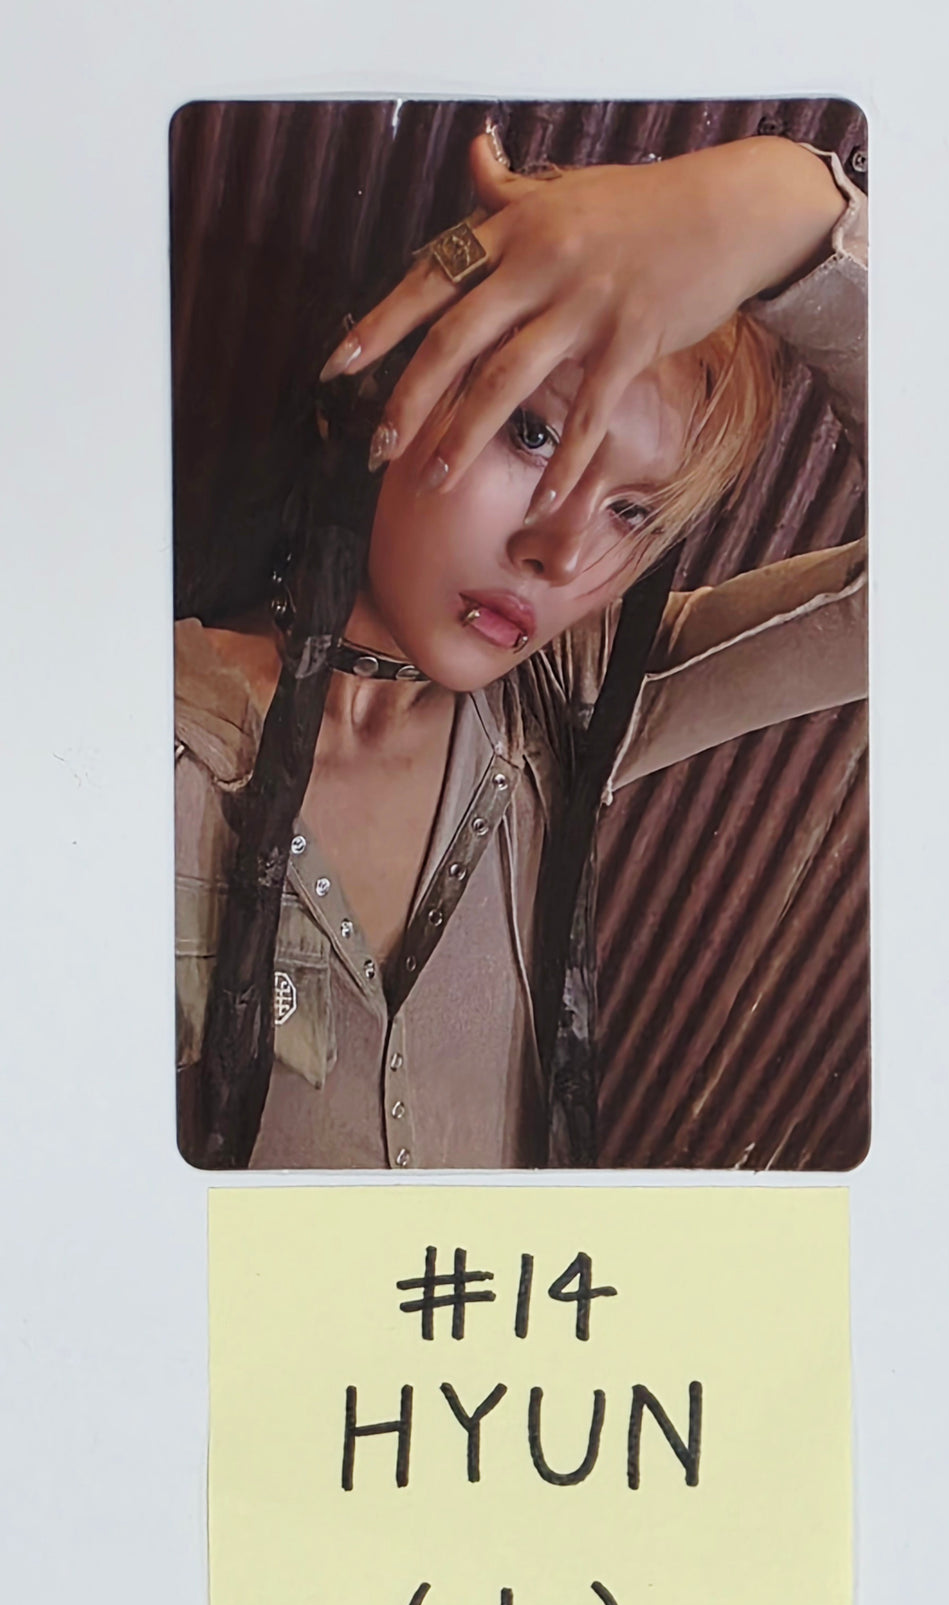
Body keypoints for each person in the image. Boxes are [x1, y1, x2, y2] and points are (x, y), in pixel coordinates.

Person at [174, 121, 867, 1171]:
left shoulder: (569, 704)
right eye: (533, 432)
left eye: (632, 511)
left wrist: (787, 213)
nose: (560, 551)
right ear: (384, 383)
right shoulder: (133, 752)